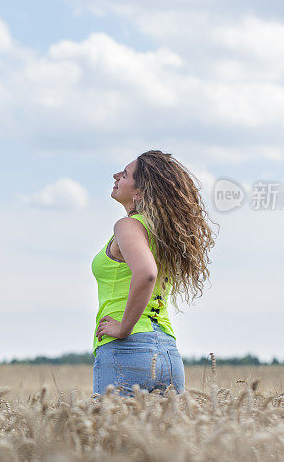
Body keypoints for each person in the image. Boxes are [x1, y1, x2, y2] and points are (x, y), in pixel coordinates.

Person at [92, 150, 218, 397]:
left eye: (125, 174)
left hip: (126, 351)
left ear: (139, 192)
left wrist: (123, 329)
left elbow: (147, 273)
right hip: (168, 355)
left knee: (110, 435)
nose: (116, 175)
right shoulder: (165, 236)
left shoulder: (128, 226)